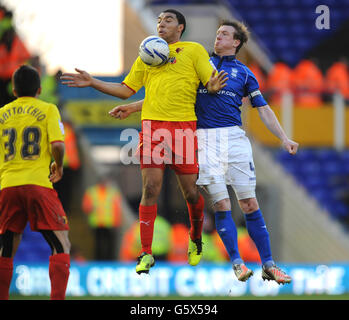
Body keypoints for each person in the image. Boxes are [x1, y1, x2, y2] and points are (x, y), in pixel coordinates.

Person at [112, 21, 299, 285]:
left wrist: (283, 137)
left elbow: (264, 109)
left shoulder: (245, 73)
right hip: (203, 140)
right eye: (217, 33)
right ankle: (236, 263)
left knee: (249, 203)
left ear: (236, 42)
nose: (218, 37)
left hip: (234, 137)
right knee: (221, 204)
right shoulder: (197, 62)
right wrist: (132, 108)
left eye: (224, 34)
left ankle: (268, 264)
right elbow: (170, 95)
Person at [60, 9, 227, 274]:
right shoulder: (147, 54)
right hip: (153, 129)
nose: (162, 24)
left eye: (168, 20)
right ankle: (146, 252)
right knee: (150, 188)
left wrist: (214, 86)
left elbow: (209, 84)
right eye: (159, 20)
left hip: (183, 128)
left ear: (180, 27)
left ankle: (196, 238)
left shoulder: (193, 51)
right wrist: (93, 82)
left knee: (191, 192)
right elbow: (125, 90)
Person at [0, 65, 70, 300]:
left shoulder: (2, 114)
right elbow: (58, 145)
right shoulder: (48, 109)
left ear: (13, 89)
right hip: (38, 184)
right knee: (61, 244)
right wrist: (58, 166)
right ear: (40, 89)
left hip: (8, 185)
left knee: (7, 246)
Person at [82, 177, 123, 260]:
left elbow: (117, 209)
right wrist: (90, 208)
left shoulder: (113, 193)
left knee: (110, 245)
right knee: (99, 245)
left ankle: (108, 260)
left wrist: (117, 222)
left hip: (110, 223)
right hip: (98, 223)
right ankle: (100, 260)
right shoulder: (92, 192)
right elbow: (85, 207)